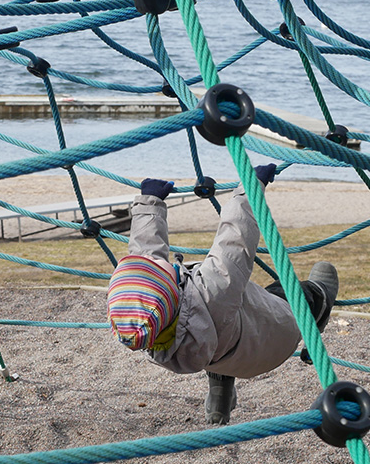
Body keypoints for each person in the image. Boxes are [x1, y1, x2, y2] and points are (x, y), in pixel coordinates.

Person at [107, 163, 339, 424]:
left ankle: (220, 391)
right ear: (170, 289)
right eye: (157, 266)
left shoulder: (152, 330)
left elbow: (144, 253)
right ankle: (319, 305)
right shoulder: (212, 289)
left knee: (207, 333)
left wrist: (150, 203)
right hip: (275, 341)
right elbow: (236, 240)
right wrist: (250, 189)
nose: (153, 259)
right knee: (291, 294)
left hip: (225, 354)